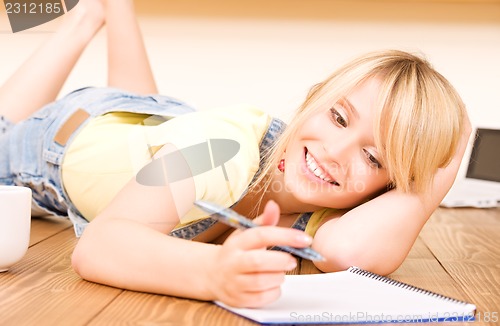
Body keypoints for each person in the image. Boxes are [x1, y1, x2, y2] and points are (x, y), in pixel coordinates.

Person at [0, 0, 470, 308]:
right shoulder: (222, 148)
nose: (336, 153)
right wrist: (212, 274)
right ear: (312, 98)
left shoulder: (328, 213)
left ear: (389, 187)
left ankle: (116, 7)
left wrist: (433, 180)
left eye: (374, 159)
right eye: (339, 118)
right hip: (62, 138)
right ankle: (88, 16)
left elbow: (345, 251)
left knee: (148, 118)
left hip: (159, 125)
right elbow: (99, 245)